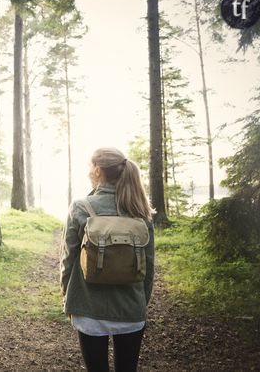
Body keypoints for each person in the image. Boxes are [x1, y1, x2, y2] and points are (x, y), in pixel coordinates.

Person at [60, 147, 155, 372]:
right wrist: (141, 301)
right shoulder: (140, 210)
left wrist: (68, 296)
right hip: (131, 308)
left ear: (98, 170)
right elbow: (149, 264)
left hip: (89, 308)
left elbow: (68, 259)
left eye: (90, 166)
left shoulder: (80, 207)